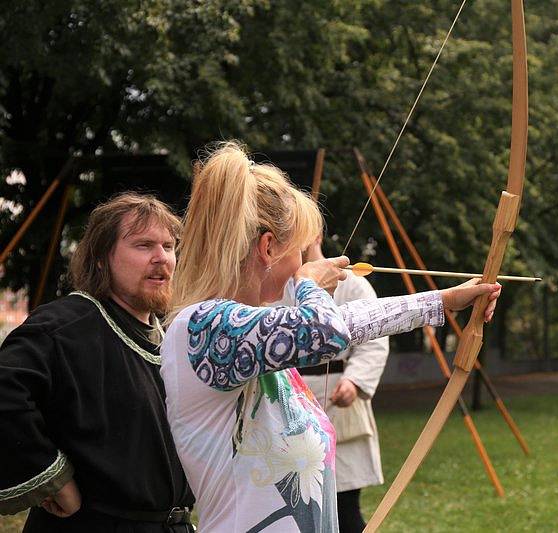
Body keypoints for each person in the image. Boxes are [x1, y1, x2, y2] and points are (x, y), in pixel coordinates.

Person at [160, 141, 501, 532]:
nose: (305, 262)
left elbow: (349, 321)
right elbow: (326, 332)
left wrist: (443, 302)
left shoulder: (251, 332)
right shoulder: (202, 327)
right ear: (268, 248)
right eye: (302, 251)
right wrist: (311, 286)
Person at [0, 193, 195, 532]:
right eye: (143, 245)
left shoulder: (173, 340)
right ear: (102, 257)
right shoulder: (67, 326)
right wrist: (53, 477)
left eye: (168, 245)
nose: (161, 257)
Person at [291, 238, 389, 532]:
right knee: (297, 507)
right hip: (292, 398)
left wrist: (354, 381)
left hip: (338, 395)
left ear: (316, 235)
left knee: (344, 508)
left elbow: (375, 337)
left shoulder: (352, 283)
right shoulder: (276, 283)